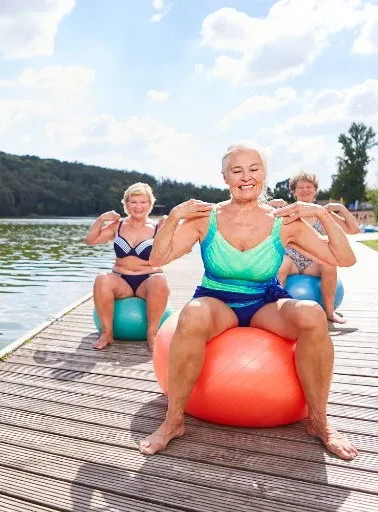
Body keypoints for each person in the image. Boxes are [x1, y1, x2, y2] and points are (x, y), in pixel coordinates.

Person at [139, 143, 359, 461]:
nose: (246, 177)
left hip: (264, 302)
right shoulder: (206, 218)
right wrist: (174, 216)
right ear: (225, 177)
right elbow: (157, 257)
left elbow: (344, 258)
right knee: (191, 315)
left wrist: (321, 214)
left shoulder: (286, 220)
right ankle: (173, 421)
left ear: (264, 175)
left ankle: (319, 423)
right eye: (237, 170)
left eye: (253, 169)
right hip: (218, 301)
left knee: (312, 314)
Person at [84, 182, 170, 351]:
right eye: (134, 202)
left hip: (147, 280)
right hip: (121, 280)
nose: (138, 206)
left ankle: (152, 335)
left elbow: (176, 250)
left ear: (150, 204)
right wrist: (102, 219)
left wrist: (171, 226)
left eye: (143, 202)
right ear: (126, 204)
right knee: (102, 278)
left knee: (159, 280)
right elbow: (91, 240)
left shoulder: (158, 227)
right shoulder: (118, 226)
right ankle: (107, 333)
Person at [269, 172, 360, 323]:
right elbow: (261, 223)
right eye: (301, 187)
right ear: (294, 192)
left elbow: (353, 229)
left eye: (309, 187)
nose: (305, 190)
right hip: (291, 259)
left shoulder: (322, 213)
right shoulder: (287, 211)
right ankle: (274, 311)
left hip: (314, 261)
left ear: (315, 191)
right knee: (281, 265)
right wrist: (270, 204)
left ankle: (330, 313)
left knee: (330, 264)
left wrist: (340, 208)